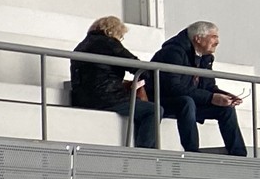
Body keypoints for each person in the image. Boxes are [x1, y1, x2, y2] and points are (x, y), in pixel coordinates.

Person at [149, 20, 249, 156]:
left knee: (226, 108)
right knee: (186, 102)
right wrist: (211, 98)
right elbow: (172, 88)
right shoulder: (173, 52)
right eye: (213, 37)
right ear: (198, 39)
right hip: (162, 100)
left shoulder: (206, 57)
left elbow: (209, 86)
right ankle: (192, 152)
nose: (217, 42)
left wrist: (225, 96)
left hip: (189, 102)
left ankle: (239, 154)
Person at [69, 16, 159, 150]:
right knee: (154, 110)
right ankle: (144, 153)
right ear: (113, 31)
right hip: (107, 98)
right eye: (121, 36)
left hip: (81, 98)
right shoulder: (109, 43)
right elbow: (136, 66)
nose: (120, 39)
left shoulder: (80, 46)